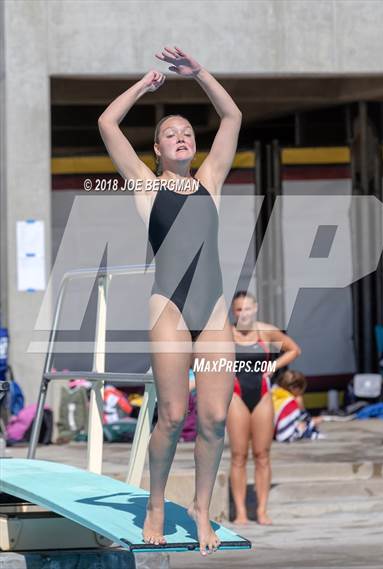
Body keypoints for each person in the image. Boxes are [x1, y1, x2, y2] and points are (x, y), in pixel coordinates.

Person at [98, 46, 241, 556]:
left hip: (216, 310)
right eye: (169, 134)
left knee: (215, 419)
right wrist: (145, 85)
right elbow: (108, 123)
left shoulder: (210, 182)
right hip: (171, 311)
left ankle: (202, 507)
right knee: (173, 414)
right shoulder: (145, 185)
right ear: (157, 149)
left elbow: (232, 115)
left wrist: (200, 72)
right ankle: (156, 501)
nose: (181, 137)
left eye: (187, 133)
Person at [227, 291, 301, 525]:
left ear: (255, 308)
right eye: (239, 310)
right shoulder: (226, 334)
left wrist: (273, 365)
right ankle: (239, 511)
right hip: (236, 395)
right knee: (238, 455)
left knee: (262, 455)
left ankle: (261, 510)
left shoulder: (266, 331)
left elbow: (294, 349)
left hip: (261, 395)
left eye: (247, 309)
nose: (244, 314)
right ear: (233, 312)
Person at [272, 369, 323, 443]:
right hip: (282, 432)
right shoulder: (294, 400)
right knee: (307, 425)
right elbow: (303, 418)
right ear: (295, 389)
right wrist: (313, 421)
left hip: (270, 430)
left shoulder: (274, 393)